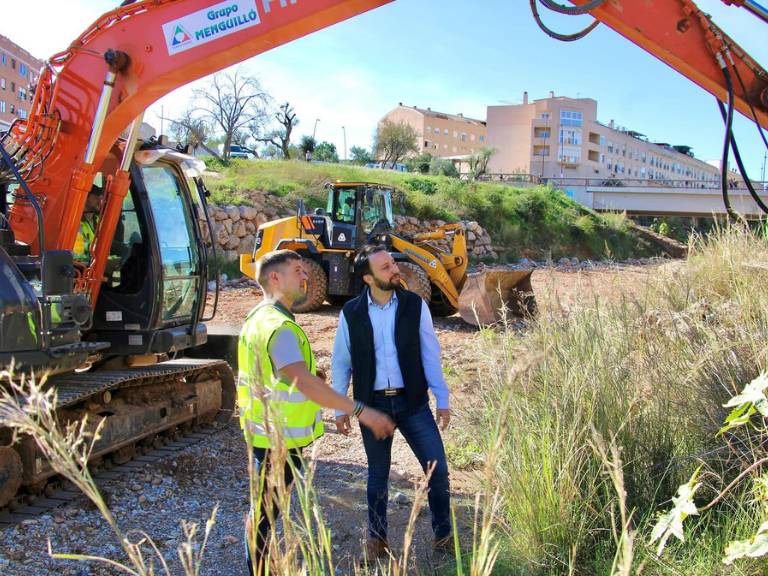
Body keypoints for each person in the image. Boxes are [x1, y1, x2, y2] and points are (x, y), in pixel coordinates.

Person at [237, 249, 394, 576]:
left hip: (265, 432)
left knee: (264, 512)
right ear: (275, 278)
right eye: (297, 270)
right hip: (279, 438)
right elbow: (303, 383)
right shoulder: (278, 326)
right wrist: (361, 411)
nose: (306, 275)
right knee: (266, 515)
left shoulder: (258, 318)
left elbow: (279, 374)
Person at [331, 244, 452, 560]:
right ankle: (377, 540)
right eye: (385, 267)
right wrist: (340, 406)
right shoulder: (351, 313)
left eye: (392, 264)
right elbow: (341, 362)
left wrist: (442, 397)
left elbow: (430, 352)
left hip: (413, 403)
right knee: (377, 475)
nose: (395, 269)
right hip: (372, 408)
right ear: (368, 278)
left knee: (437, 471)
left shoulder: (414, 305)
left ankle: (444, 536)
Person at [73, 184, 103, 262]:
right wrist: (91, 247)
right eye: (96, 197)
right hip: (83, 266)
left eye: (101, 198)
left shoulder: (98, 220)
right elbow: (77, 251)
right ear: (86, 197)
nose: (100, 201)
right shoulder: (75, 221)